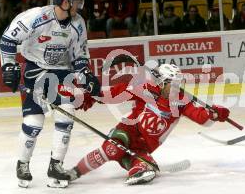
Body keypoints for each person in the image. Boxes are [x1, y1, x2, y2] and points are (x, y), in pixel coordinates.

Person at [0, 0, 100, 188]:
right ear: (64, 2)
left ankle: (56, 165)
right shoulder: (36, 17)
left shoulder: (78, 23)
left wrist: (86, 74)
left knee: (67, 111)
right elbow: (8, 39)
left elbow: (79, 55)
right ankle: (23, 164)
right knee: (34, 122)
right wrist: (8, 66)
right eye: (75, 2)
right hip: (34, 70)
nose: (78, 5)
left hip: (61, 72)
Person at [67, 64, 230, 185]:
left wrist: (215, 114)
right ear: (161, 82)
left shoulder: (181, 101)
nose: (176, 86)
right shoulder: (143, 88)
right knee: (112, 149)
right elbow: (113, 95)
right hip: (126, 134)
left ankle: (136, 166)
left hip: (142, 148)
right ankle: (74, 173)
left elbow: (203, 119)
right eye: (172, 82)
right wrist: (92, 96)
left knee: (143, 167)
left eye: (178, 82)